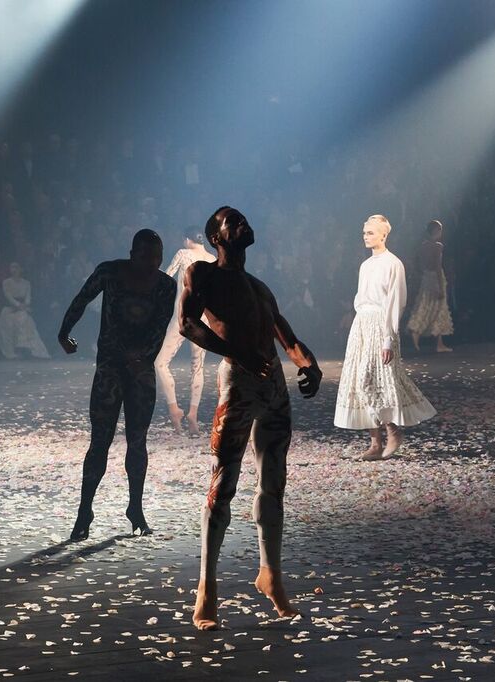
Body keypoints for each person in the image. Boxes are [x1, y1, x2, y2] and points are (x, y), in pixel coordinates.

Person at [180, 206, 322, 631]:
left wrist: (308, 363)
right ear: (216, 237)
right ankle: (206, 590)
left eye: (242, 219)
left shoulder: (259, 287)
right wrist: (237, 352)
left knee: (273, 483)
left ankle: (271, 575)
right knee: (223, 482)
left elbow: (286, 337)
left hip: (273, 385)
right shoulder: (204, 274)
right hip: (239, 384)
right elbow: (187, 324)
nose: (243, 224)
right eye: (233, 222)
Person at [58, 229, 176, 541]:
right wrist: (64, 331)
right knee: (100, 441)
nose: (151, 265)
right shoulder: (110, 272)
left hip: (140, 372)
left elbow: (160, 327)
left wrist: (144, 357)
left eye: (156, 259)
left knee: (137, 441)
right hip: (111, 368)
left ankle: (135, 508)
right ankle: (85, 510)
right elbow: (82, 299)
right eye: (146, 258)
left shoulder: (165, 285)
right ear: (132, 255)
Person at [334, 215, 436, 460]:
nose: (366, 236)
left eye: (370, 232)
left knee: (374, 379)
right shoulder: (365, 265)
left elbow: (396, 303)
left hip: (381, 326)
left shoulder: (393, 264)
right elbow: (361, 297)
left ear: (383, 234)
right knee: (358, 380)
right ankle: (375, 443)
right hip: (362, 324)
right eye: (364, 232)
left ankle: (392, 431)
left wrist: (388, 338)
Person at [154, 230, 216, 434]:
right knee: (198, 367)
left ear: (187, 240)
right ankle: (193, 414)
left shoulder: (183, 253)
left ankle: (174, 409)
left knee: (160, 363)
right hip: (203, 319)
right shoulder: (212, 259)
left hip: (181, 318)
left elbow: (165, 278)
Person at [406, 219, 454, 352]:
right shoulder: (438, 246)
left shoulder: (422, 246)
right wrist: (440, 286)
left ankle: (417, 332)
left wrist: (423, 274)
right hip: (435, 278)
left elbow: (417, 263)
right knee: (439, 309)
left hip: (426, 277)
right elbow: (438, 266)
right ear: (436, 231)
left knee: (424, 305)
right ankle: (438, 344)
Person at [0, 262, 50, 359]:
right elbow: (8, 296)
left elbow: (28, 297)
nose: (14, 269)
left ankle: (28, 349)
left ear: (21, 269)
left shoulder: (26, 283)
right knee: (9, 323)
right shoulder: (6, 282)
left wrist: (24, 306)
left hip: (22, 309)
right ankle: (11, 351)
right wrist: (18, 305)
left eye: (16, 267)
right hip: (9, 309)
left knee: (25, 320)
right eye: (12, 267)